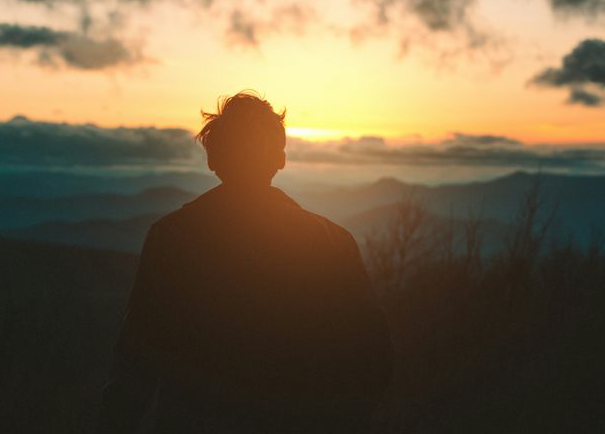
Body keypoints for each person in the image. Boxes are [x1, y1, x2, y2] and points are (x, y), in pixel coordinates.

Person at [97, 92, 393, 433]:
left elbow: (137, 360)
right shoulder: (331, 242)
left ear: (213, 159)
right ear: (280, 158)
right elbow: (373, 357)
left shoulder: (171, 239)